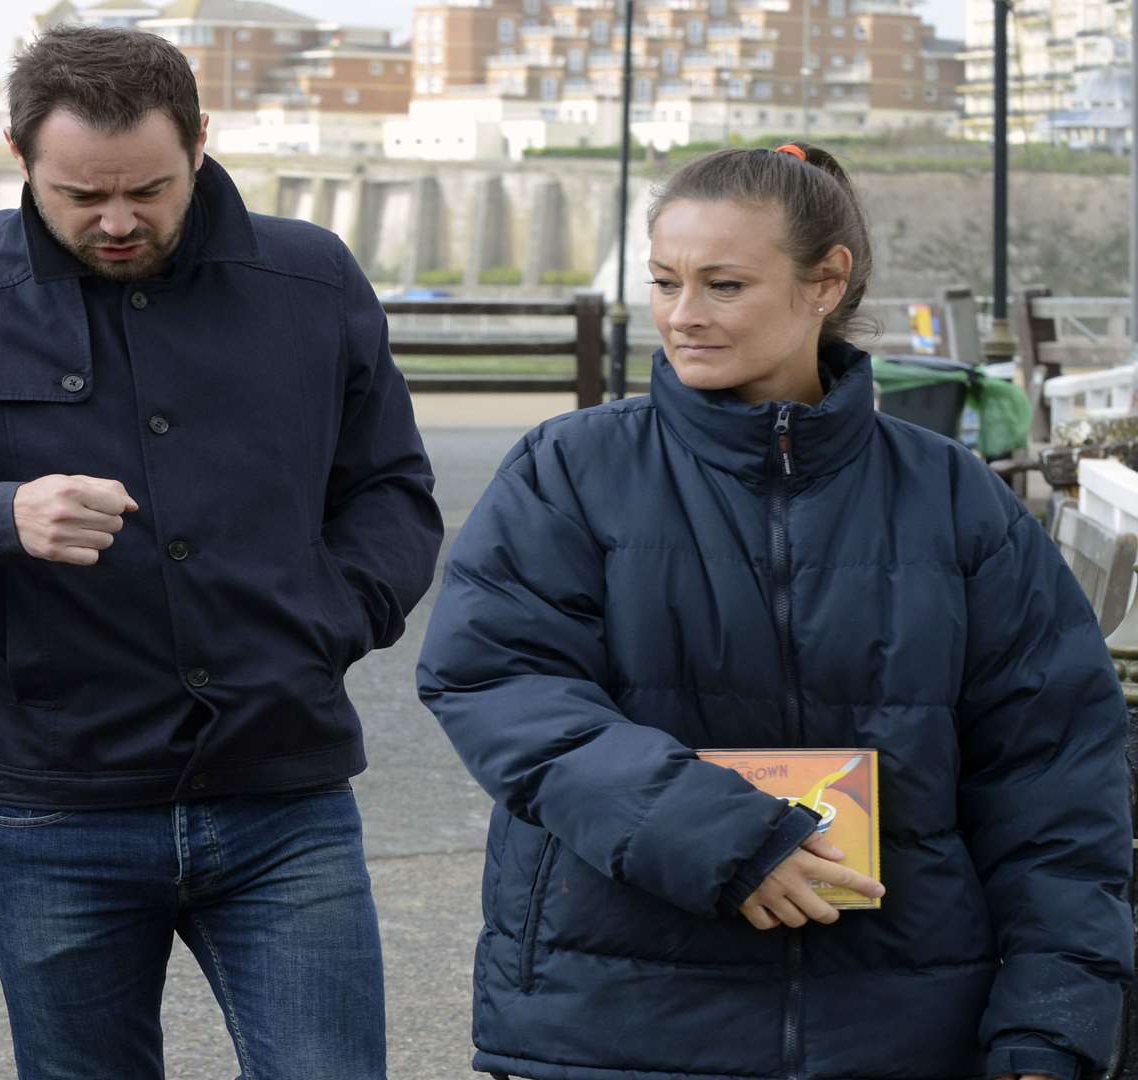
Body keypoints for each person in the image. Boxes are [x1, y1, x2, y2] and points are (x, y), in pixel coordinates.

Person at [0, 26, 442, 1080]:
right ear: (19, 160)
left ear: (200, 144)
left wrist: (323, 625)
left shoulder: (312, 278)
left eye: (149, 188)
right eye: (81, 196)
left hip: (284, 787)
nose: (119, 220)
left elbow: (390, 494)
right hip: (53, 805)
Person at [416, 143, 1131, 1080]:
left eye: (723, 285)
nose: (682, 316)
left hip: (903, 1024)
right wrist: (728, 840)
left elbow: (1055, 778)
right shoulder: (568, 472)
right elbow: (498, 684)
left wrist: (1053, 1025)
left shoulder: (954, 499)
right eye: (665, 282)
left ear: (824, 282)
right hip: (615, 1024)